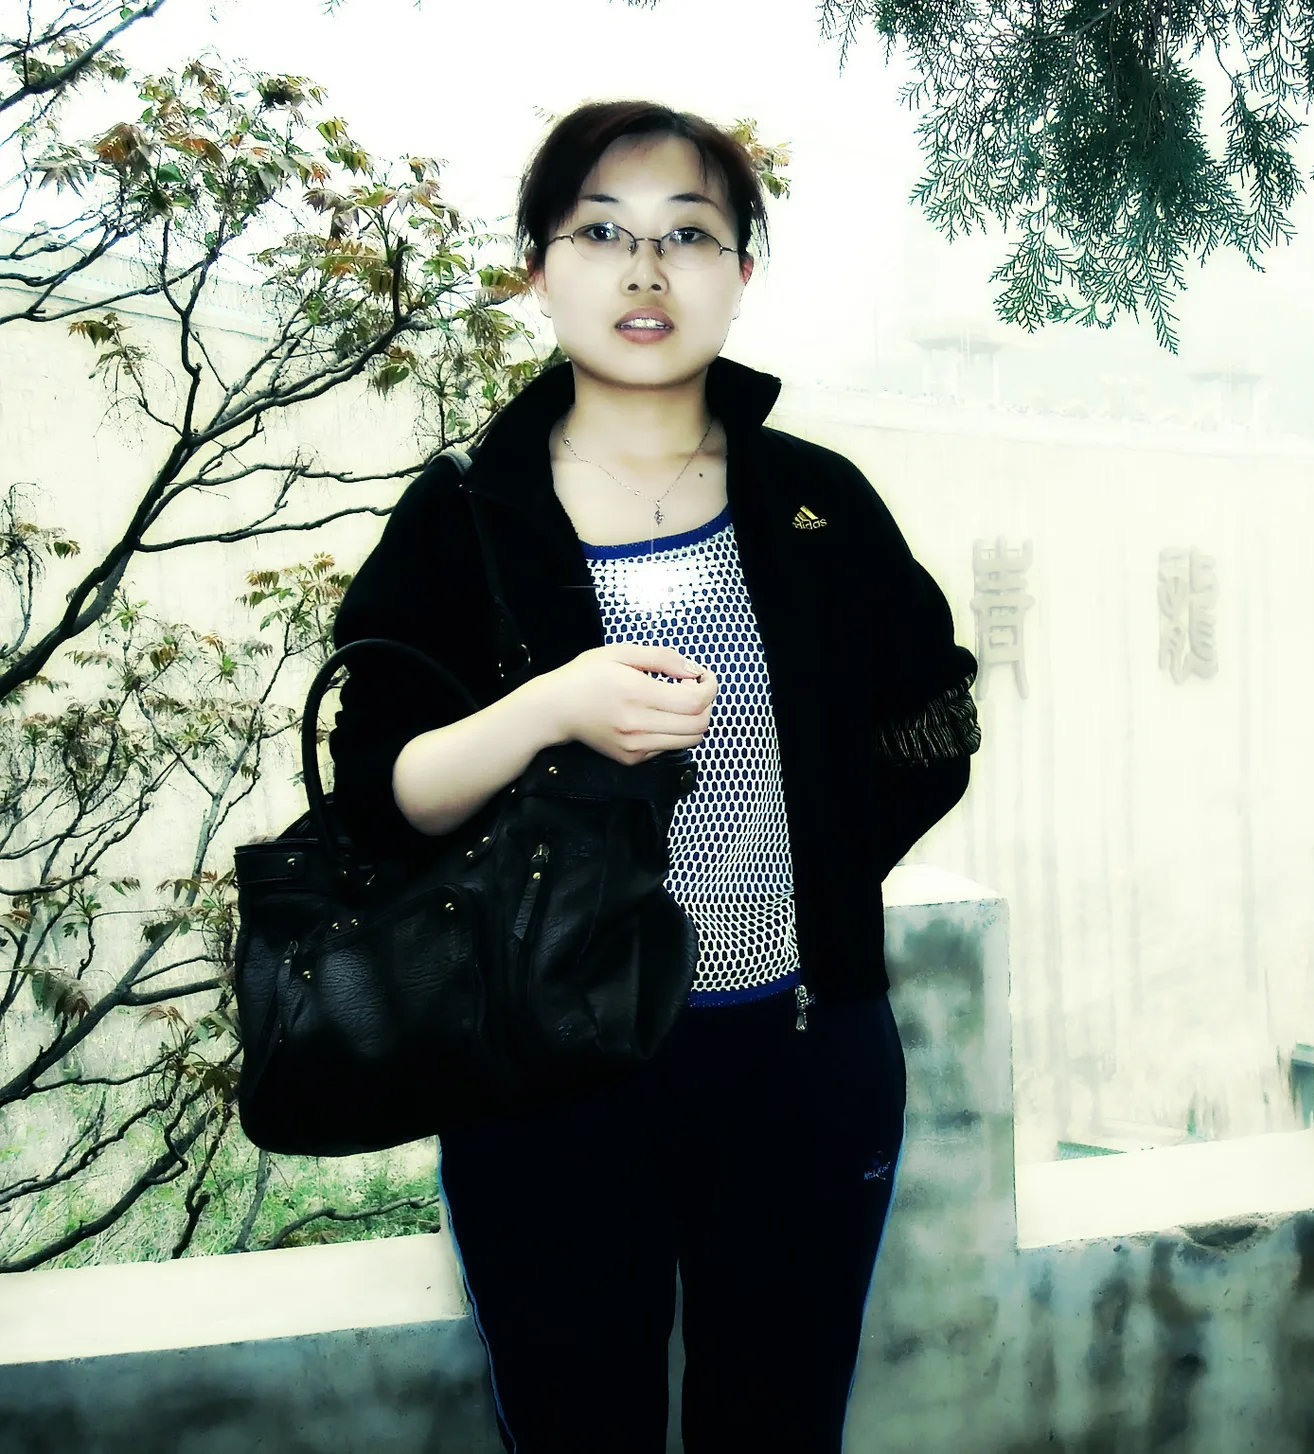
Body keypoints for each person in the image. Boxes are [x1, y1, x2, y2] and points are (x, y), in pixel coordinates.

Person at [327, 99, 981, 1454]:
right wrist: (550, 708)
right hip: (544, 1081)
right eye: (601, 233)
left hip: (801, 1061)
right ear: (537, 269)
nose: (644, 270)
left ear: (740, 273)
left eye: (688, 234)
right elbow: (381, 793)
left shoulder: (814, 503)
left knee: (779, 1426)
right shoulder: (465, 516)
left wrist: (817, 858)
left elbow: (934, 718)